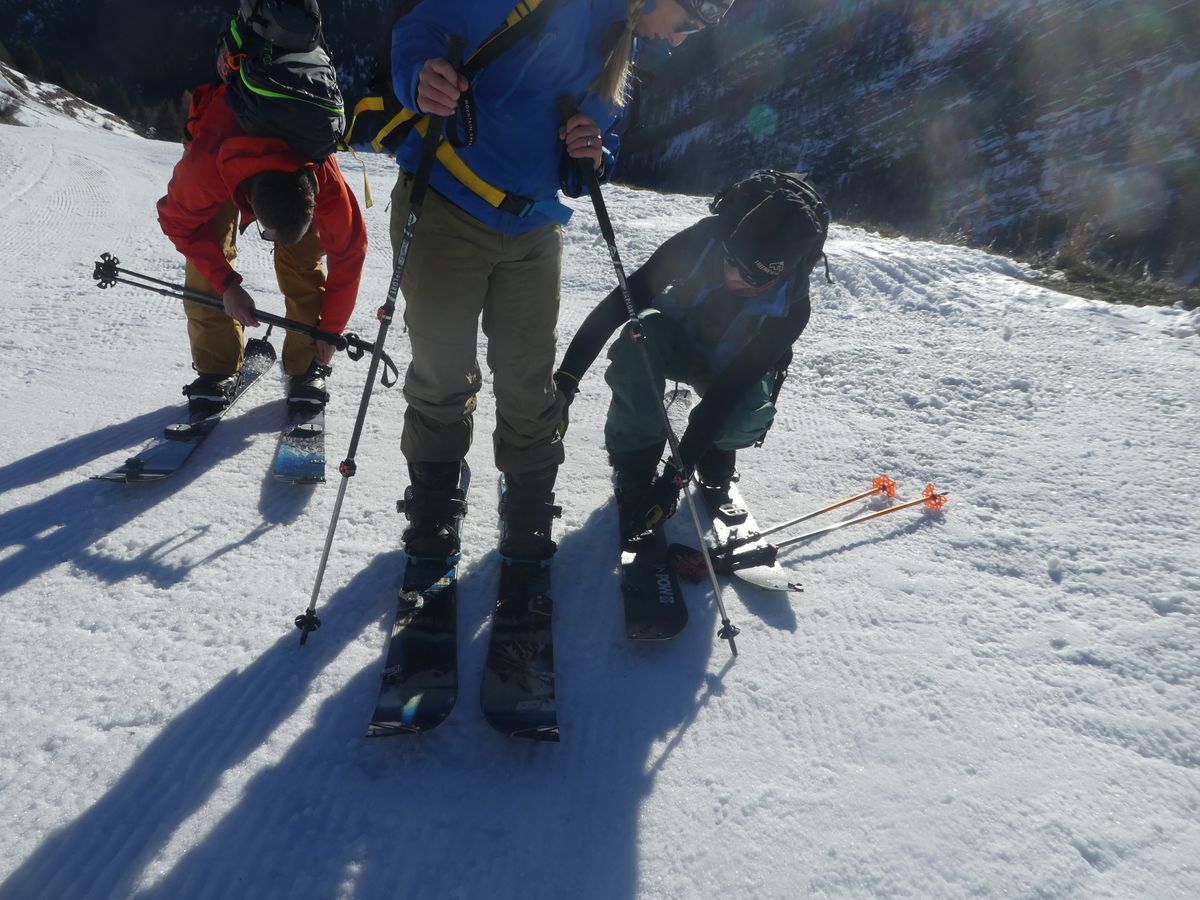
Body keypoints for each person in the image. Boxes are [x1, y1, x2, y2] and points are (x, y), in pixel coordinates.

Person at [389, 0, 738, 564]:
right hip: (445, 206)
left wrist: (592, 157)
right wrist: (418, 78)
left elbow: (598, 146)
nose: (678, 41)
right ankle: (434, 504)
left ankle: (527, 507)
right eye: (686, 24)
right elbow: (424, 24)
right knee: (442, 372)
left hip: (531, 228)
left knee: (530, 384)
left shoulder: (622, 40)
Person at [554, 172, 829, 546]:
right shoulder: (701, 241)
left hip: (728, 368)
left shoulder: (792, 308)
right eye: (733, 264)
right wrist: (567, 380)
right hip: (677, 342)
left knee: (742, 415)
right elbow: (622, 301)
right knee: (641, 334)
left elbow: (729, 391)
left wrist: (673, 479)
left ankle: (716, 452)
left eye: (755, 281)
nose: (737, 281)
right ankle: (635, 464)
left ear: (781, 275)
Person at [157, 80, 367, 416]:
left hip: (295, 146)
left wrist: (331, 329)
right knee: (206, 255)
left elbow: (350, 253)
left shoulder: (324, 176)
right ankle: (216, 367)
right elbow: (178, 223)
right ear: (252, 207)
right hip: (220, 140)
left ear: (312, 195)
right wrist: (226, 284)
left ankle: (306, 362)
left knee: (304, 258)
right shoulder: (204, 170)